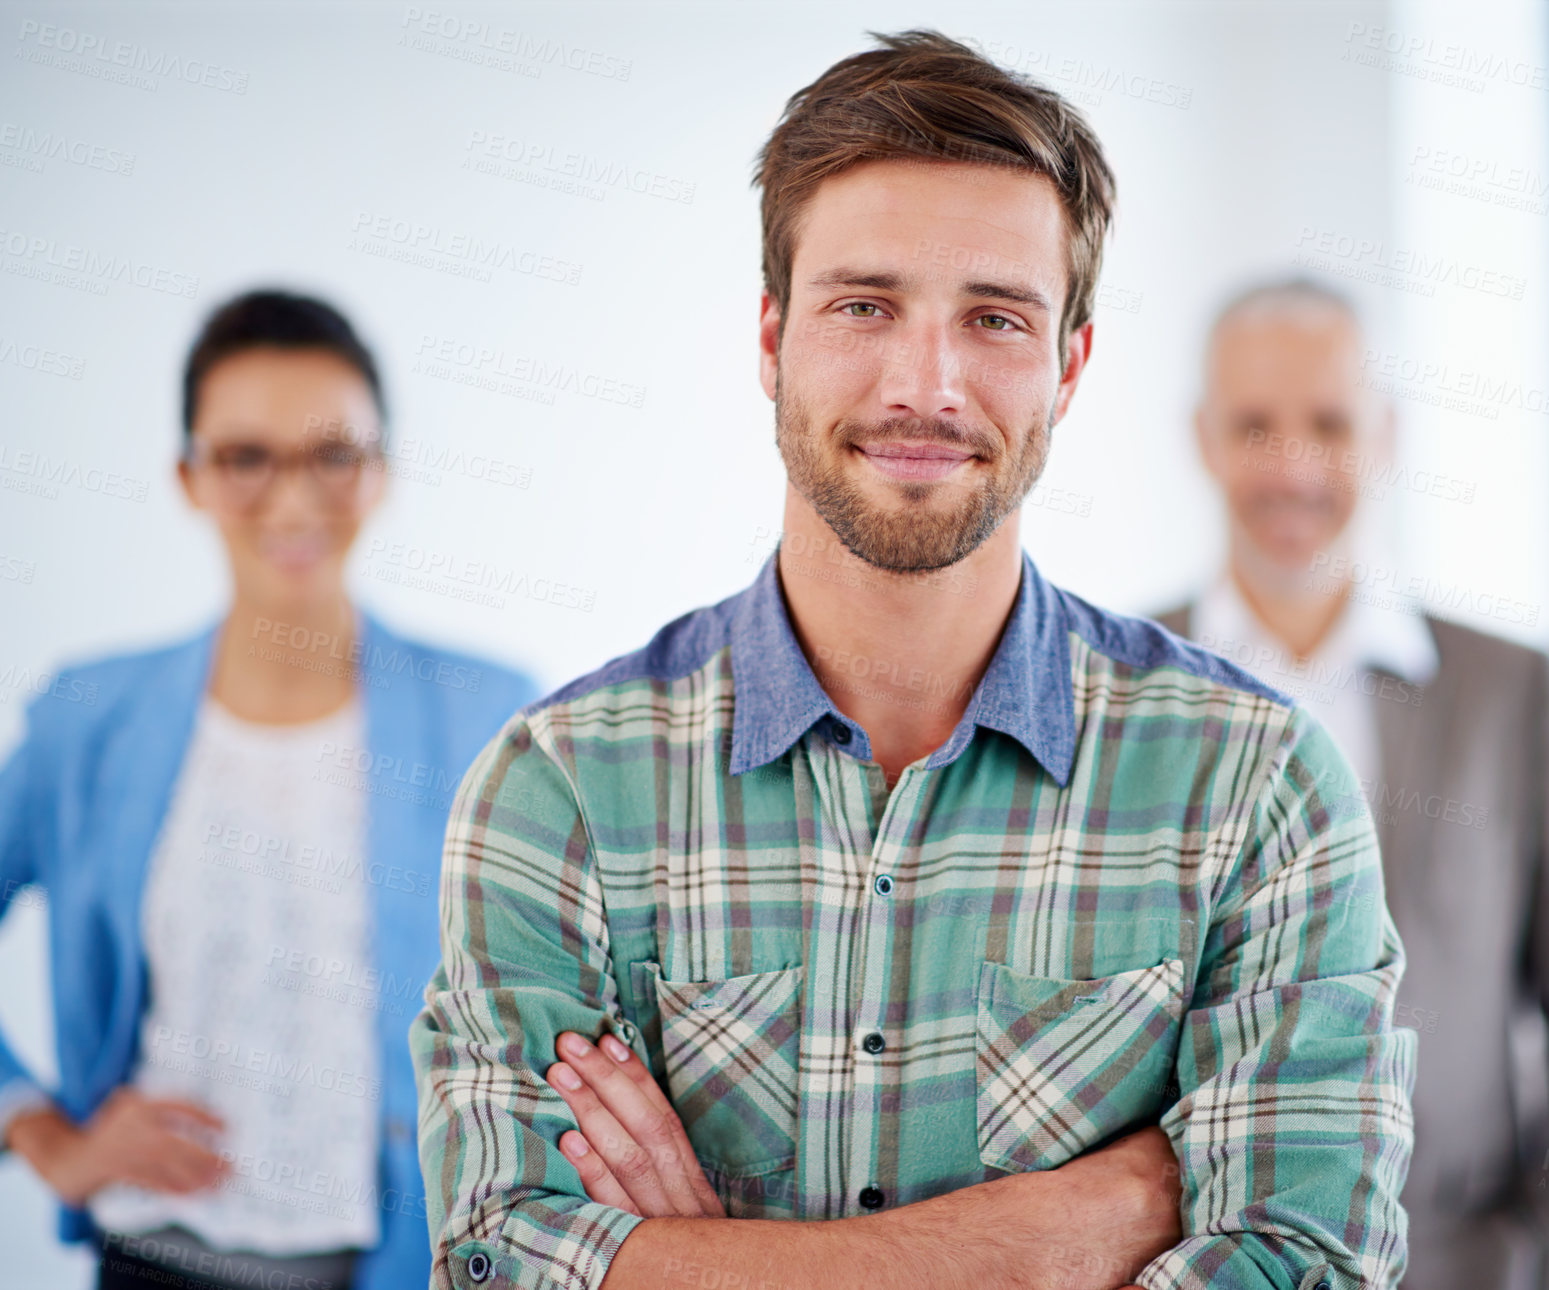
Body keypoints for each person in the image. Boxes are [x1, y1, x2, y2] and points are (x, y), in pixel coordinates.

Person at [411, 31, 1415, 1290]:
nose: (924, 384)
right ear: (771, 340)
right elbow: (502, 1262)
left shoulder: (1259, 788)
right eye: (863, 306)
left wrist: (699, 1263)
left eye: (994, 317)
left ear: (1069, 366)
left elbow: (1306, 1266)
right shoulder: (556, 789)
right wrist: (1050, 1240)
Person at [0, 289, 537, 1290]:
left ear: (380, 473)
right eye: (247, 457)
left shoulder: (491, 718)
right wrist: (38, 1132)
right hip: (151, 1263)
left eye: (332, 455)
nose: (292, 502)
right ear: (189, 476)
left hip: (408, 1267)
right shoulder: (90, 723)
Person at [1152, 277, 1549, 1290]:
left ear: (1385, 434)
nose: (1292, 468)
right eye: (1254, 426)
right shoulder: (1116, 687)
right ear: (1202, 438)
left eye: (1327, 423)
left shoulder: (1515, 694)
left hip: (1466, 1262)